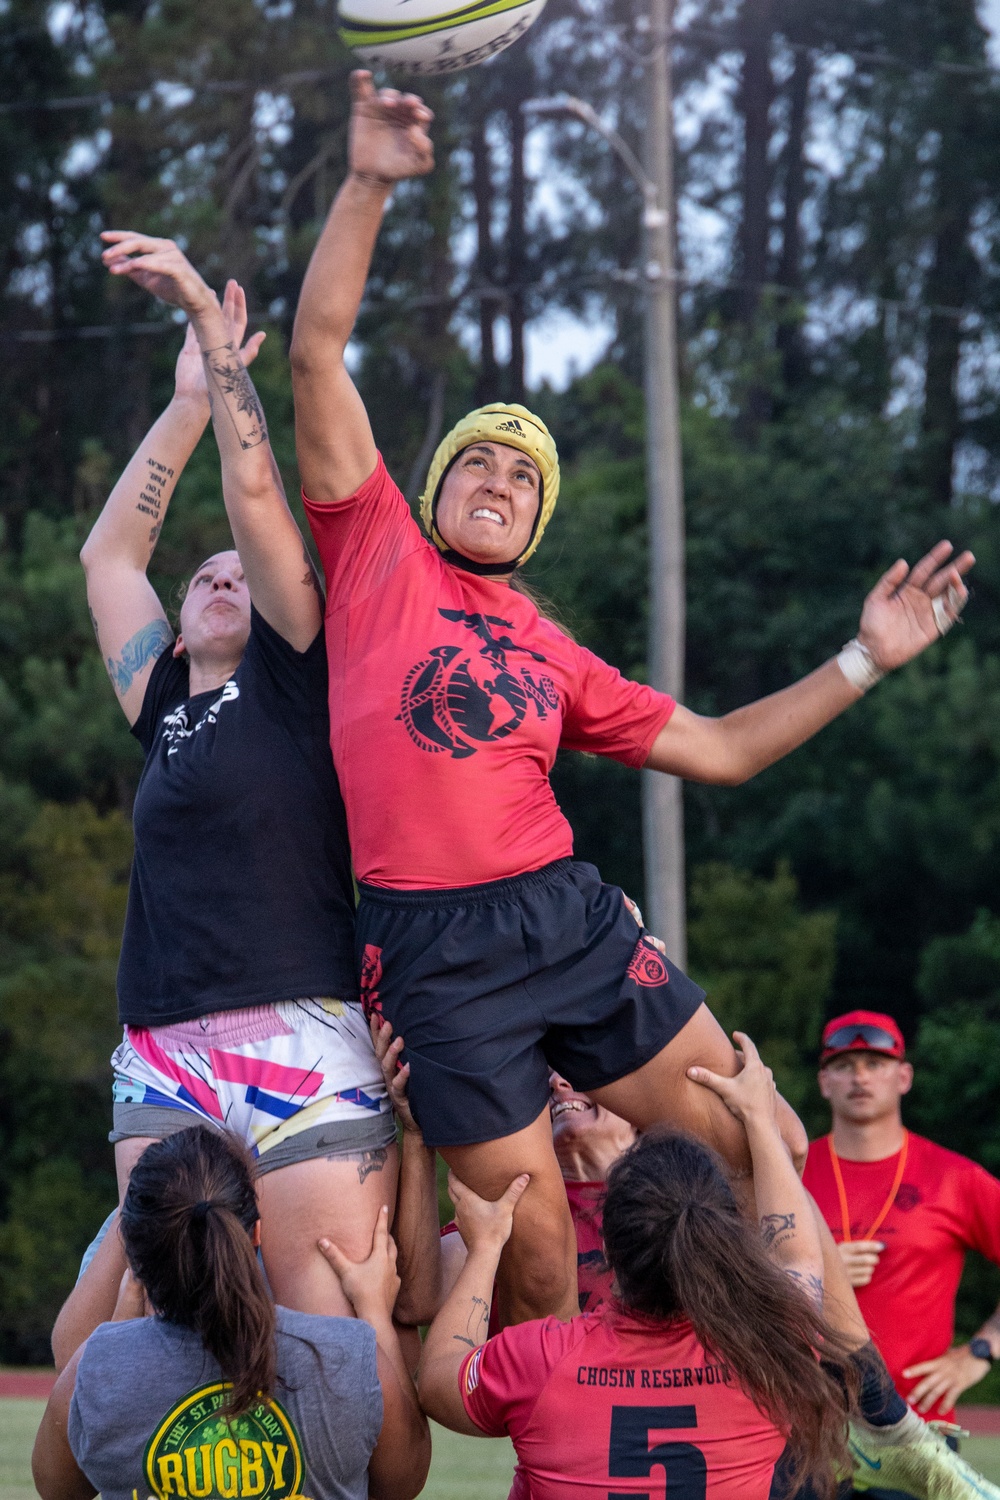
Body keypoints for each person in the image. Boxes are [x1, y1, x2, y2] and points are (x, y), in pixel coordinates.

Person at [288, 69, 975, 1331]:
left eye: (521, 476)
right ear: (433, 491)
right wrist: (371, 180)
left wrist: (865, 658)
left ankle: (867, 1409)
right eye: (475, 462)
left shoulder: (553, 651)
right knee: (530, 1252)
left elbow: (714, 750)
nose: (495, 479)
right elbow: (317, 350)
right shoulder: (377, 550)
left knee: (755, 1125)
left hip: (562, 916)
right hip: (432, 955)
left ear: (536, 522)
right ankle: (569, 1446)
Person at [80, 233, 395, 1320]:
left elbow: (255, 493)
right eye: (201, 575)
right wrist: (179, 404)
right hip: (162, 1047)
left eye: (238, 576)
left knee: (323, 1328)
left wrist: (220, 354)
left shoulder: (299, 677)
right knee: (163, 1330)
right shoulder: (163, 701)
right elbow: (110, 559)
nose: (221, 577)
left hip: (301, 1036)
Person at [417, 1033, 857, 1500]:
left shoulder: (544, 1359)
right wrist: (759, 1119)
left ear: (611, 1249)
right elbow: (796, 1253)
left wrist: (485, 1248)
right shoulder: (772, 1349)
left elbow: (439, 1377)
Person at [32, 1125, 430, 1500]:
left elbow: (56, 1489)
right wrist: (376, 1315)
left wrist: (119, 1334)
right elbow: (405, 1480)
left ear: (134, 1256)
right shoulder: (347, 1357)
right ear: (256, 1233)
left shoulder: (94, 1370)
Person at [804, 1010, 1000, 1437]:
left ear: (904, 1076)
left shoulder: (954, 1178)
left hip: (917, 1430)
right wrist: (816, 1271)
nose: (860, 1078)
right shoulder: (788, 1172)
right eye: (843, 1066)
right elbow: (729, 1279)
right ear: (824, 1083)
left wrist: (982, 1350)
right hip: (808, 1424)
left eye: (875, 1064)